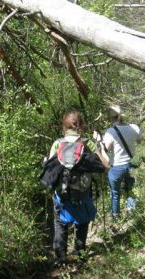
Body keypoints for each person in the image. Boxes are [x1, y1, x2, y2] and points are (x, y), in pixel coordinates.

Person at [44, 111, 107, 264]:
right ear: (81, 125)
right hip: (83, 191)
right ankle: (80, 254)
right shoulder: (87, 143)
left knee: (60, 222)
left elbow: (49, 166)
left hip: (61, 193)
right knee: (82, 221)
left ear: (64, 126)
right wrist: (99, 144)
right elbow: (105, 164)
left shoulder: (57, 143)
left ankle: (61, 257)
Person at [100, 105, 142, 220]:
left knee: (115, 194)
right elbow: (140, 141)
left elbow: (106, 150)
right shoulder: (134, 127)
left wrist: (100, 142)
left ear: (111, 118)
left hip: (117, 167)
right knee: (131, 190)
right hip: (132, 164)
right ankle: (131, 212)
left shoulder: (110, 132)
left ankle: (116, 217)